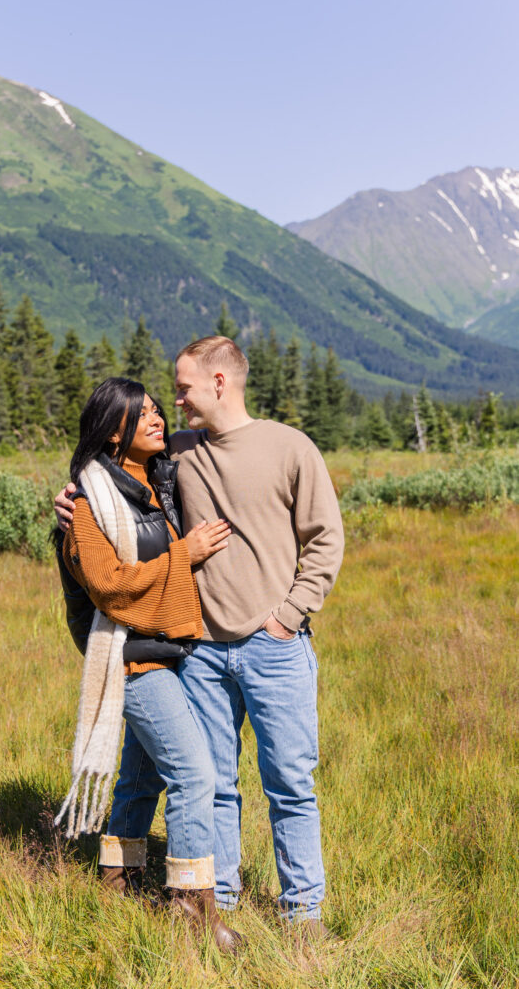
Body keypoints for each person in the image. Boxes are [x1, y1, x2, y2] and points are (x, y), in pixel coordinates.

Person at [55, 338, 344, 941]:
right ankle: (223, 903)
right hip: (202, 653)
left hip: (275, 647)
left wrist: (287, 616)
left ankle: (304, 914)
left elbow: (324, 542)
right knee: (215, 785)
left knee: (291, 784)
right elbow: (112, 482)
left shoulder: (290, 447)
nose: (174, 401)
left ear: (219, 382)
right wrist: (70, 499)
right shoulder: (177, 454)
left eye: (182, 388)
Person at [53, 376, 242, 953]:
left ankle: (118, 882)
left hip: (168, 647)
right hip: (130, 658)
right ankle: (192, 913)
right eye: (144, 415)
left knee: (140, 778)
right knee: (195, 775)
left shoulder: (154, 482)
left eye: (161, 410)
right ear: (114, 433)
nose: (159, 420)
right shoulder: (87, 501)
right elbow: (109, 587)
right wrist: (186, 554)